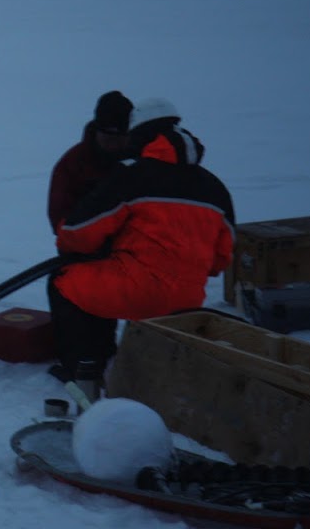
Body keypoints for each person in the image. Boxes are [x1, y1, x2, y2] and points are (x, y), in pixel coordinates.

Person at [47, 98, 235, 399]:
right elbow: (221, 260)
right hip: (188, 300)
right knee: (103, 279)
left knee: (64, 281)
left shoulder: (131, 177)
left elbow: (75, 233)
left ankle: (82, 368)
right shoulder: (214, 187)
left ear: (140, 137)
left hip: (140, 292)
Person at [48, 91, 133, 232]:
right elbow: (61, 222)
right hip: (87, 247)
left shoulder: (144, 160)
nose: (114, 143)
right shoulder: (73, 164)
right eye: (109, 135)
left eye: (121, 136)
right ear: (97, 130)